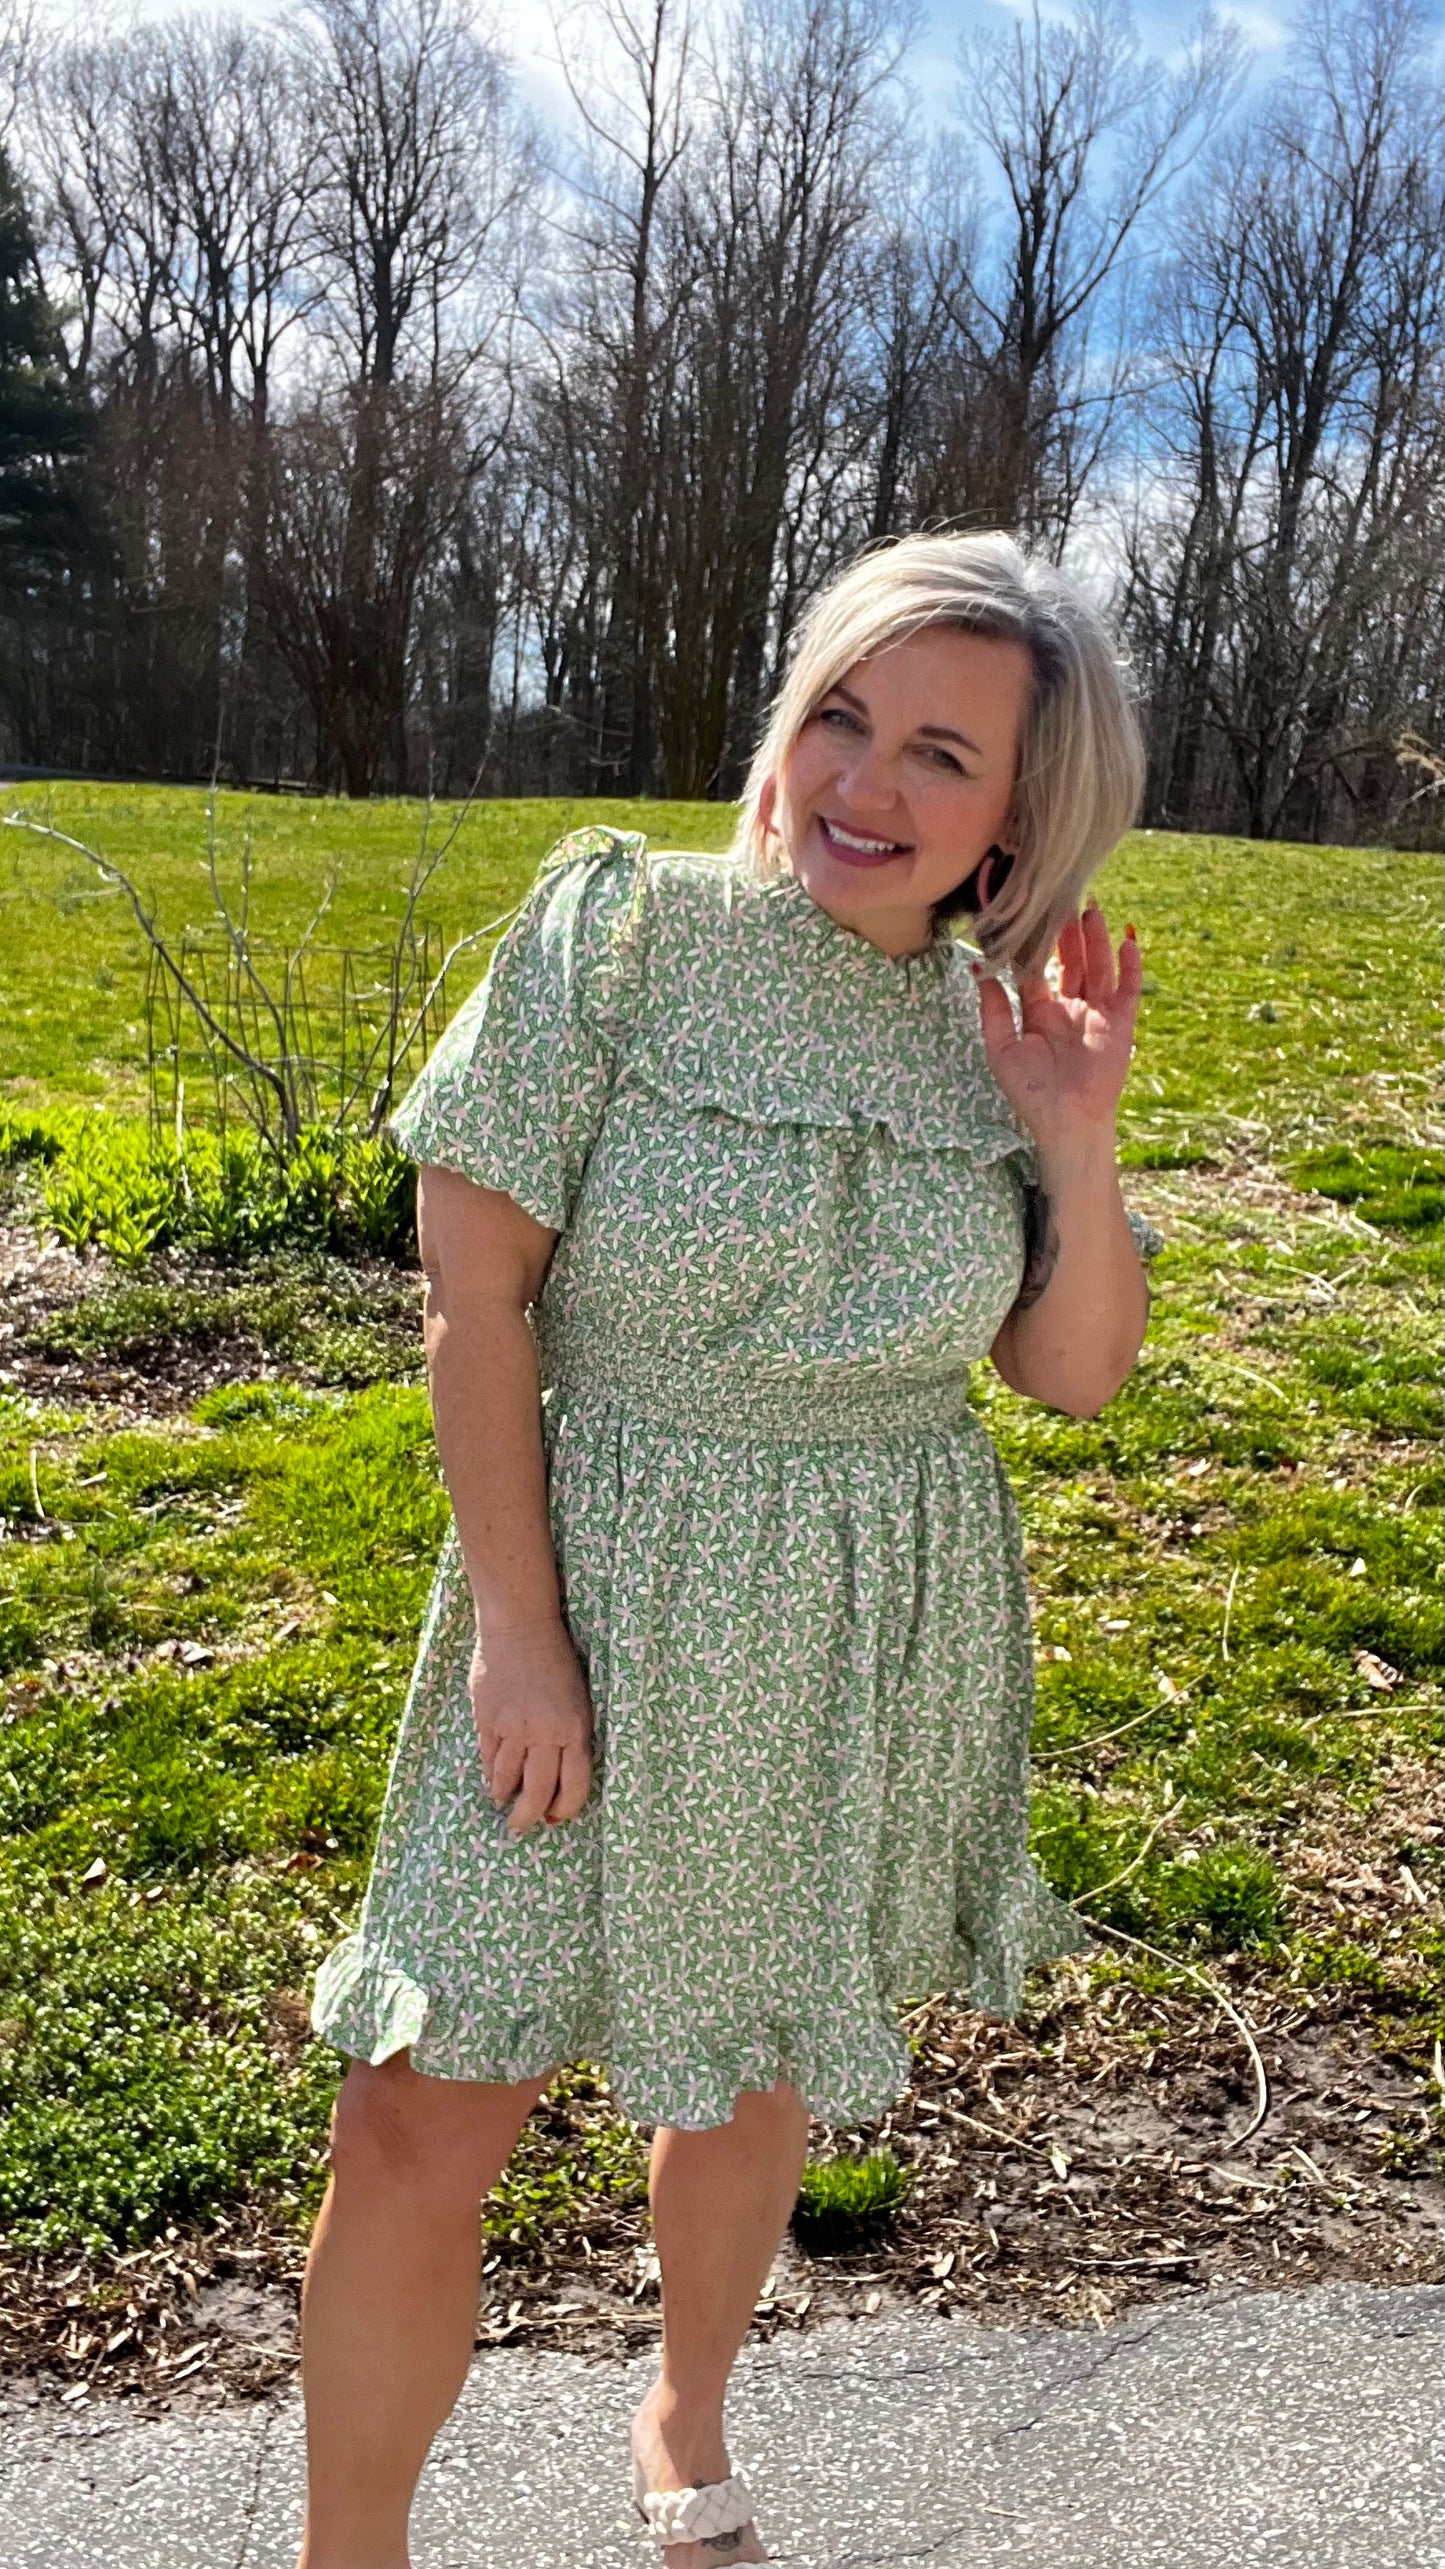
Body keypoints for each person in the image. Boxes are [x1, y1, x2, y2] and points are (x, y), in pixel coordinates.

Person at [303, 529, 1153, 2569]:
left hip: (851, 1622)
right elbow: (474, 1292)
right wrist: (520, 1627)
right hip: (585, 1582)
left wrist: (1075, 1135)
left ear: (1017, 824)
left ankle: (684, 2406)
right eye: (841, 714)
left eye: (938, 756)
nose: (863, 783)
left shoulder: (997, 1033)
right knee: (420, 2107)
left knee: (753, 2069)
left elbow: (1078, 1373)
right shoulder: (623, 934)